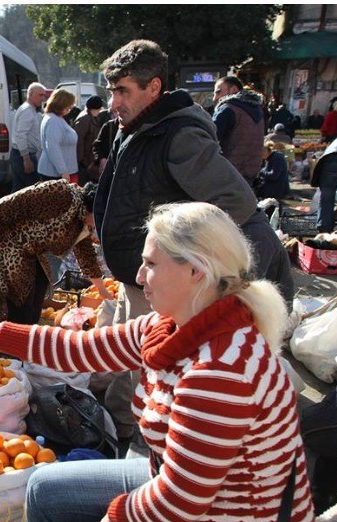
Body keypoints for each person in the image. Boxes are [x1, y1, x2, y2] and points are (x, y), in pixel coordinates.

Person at [0, 201, 317, 522]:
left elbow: (178, 501)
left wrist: (119, 514)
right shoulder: (172, 324)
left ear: (196, 270)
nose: (138, 276)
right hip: (181, 489)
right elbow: (82, 348)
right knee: (40, 487)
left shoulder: (220, 372)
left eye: (151, 263)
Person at [92, 39, 293, 441]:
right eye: (112, 91)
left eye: (123, 91)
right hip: (134, 273)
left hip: (156, 280)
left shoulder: (178, 135)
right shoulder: (133, 127)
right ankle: (106, 416)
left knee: (143, 366)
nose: (114, 102)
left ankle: (123, 438)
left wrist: (187, 259)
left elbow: (235, 203)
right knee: (118, 349)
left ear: (154, 88)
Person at [0, 180, 112, 324]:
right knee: (20, 301)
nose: (99, 224)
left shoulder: (83, 221)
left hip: (31, 251)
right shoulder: (63, 193)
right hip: (7, 243)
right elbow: (16, 201)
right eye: (100, 218)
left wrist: (101, 290)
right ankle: (14, 338)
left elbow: (86, 255)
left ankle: (27, 337)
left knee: (39, 288)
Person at [212, 75, 265, 187]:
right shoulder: (257, 110)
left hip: (229, 174)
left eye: (218, 92)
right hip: (250, 173)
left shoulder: (228, 109)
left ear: (234, 90)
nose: (215, 98)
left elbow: (210, 137)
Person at [10, 82, 47, 191]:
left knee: (19, 191)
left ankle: (12, 208)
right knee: (30, 191)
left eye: (44, 95)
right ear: (31, 94)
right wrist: (26, 159)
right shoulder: (27, 110)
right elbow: (21, 135)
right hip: (23, 156)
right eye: (40, 95)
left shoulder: (30, 109)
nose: (43, 98)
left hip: (23, 155)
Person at [38, 88, 79, 183]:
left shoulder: (55, 118)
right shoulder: (53, 120)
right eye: (69, 104)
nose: (71, 106)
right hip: (56, 174)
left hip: (60, 171)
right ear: (61, 104)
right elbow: (53, 147)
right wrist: (63, 171)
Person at [73, 95, 107, 186]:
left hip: (89, 161)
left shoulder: (92, 117)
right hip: (84, 163)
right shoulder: (85, 119)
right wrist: (83, 161)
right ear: (95, 108)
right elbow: (78, 141)